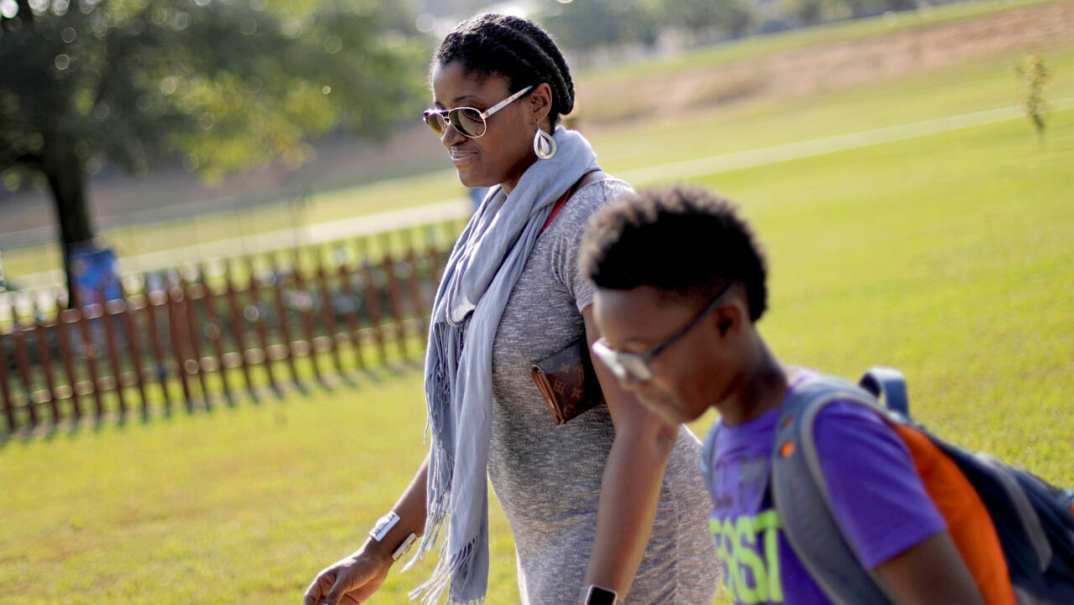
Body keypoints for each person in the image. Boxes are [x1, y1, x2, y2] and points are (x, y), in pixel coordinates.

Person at [304, 15, 718, 605]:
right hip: (555, 545)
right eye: (440, 118)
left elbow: (648, 426)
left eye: (470, 115)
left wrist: (600, 595)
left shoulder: (597, 219)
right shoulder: (494, 232)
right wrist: (378, 549)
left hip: (635, 544)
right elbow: (475, 419)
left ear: (538, 103)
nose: (452, 136)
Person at [579, 185, 1009, 604]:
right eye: (615, 360)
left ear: (727, 322)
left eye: (639, 356)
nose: (629, 382)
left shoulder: (832, 436)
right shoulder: (722, 448)